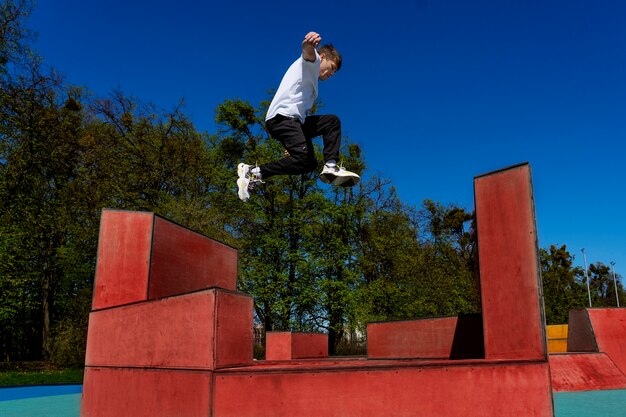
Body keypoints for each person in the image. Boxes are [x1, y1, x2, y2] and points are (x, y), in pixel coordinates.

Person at [237, 31, 360, 202]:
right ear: (322, 57)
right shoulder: (312, 63)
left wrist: (294, 143)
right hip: (282, 118)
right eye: (331, 68)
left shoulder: (310, 80)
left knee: (317, 146)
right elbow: (308, 52)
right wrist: (309, 44)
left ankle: (255, 173)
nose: (331, 74)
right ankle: (331, 165)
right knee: (306, 156)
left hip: (292, 122)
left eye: (334, 73)